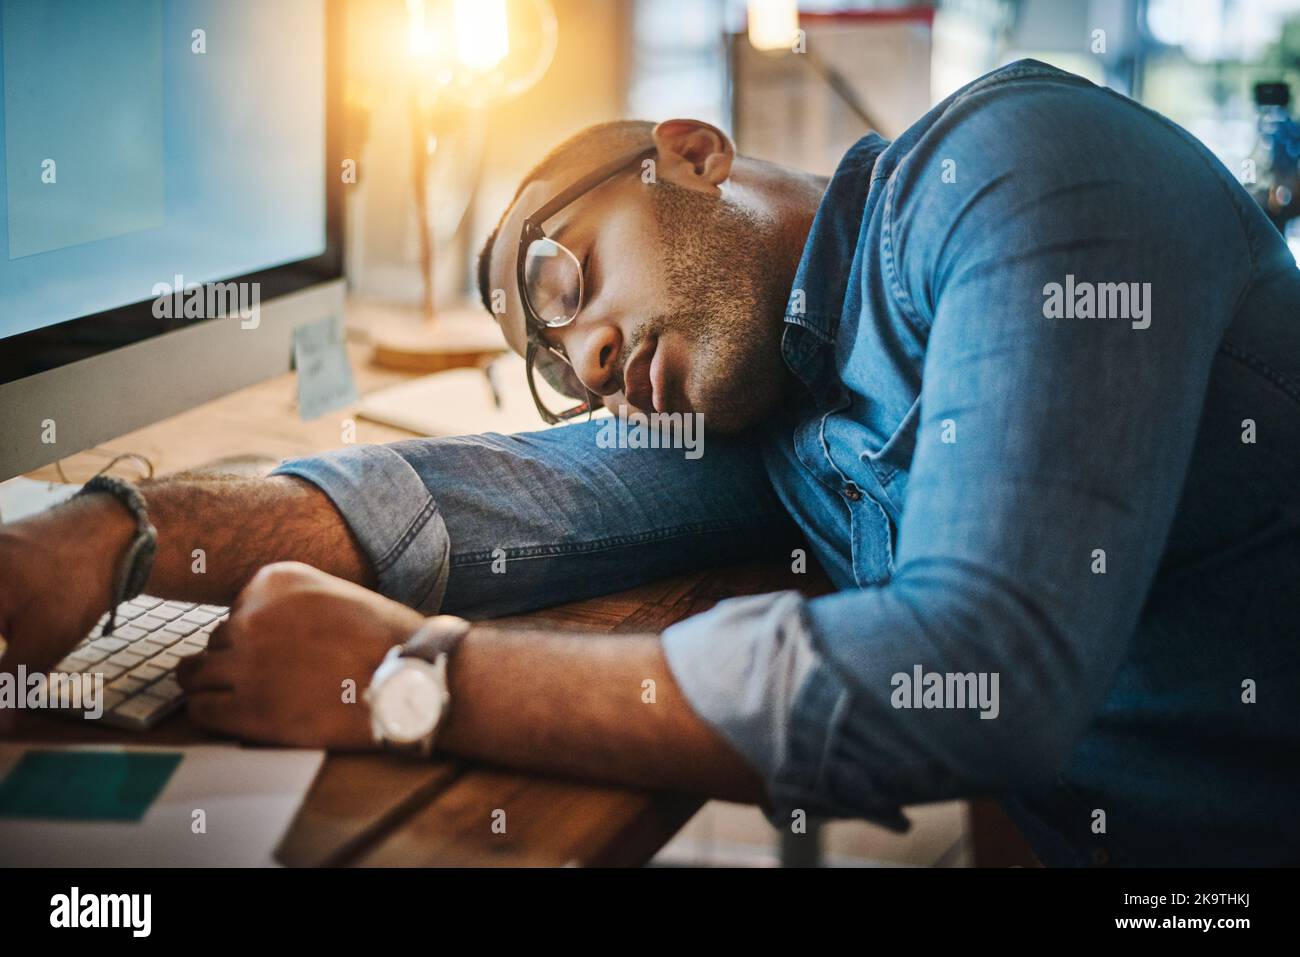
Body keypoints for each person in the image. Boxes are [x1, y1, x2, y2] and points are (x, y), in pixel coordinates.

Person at [2, 60, 1297, 866]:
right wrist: (113, 527)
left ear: (690, 152)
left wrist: (408, 684)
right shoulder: (787, 408)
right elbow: (513, 490)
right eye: (552, 361)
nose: (587, 351)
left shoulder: (1019, 178)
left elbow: (974, 670)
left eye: (560, 274)